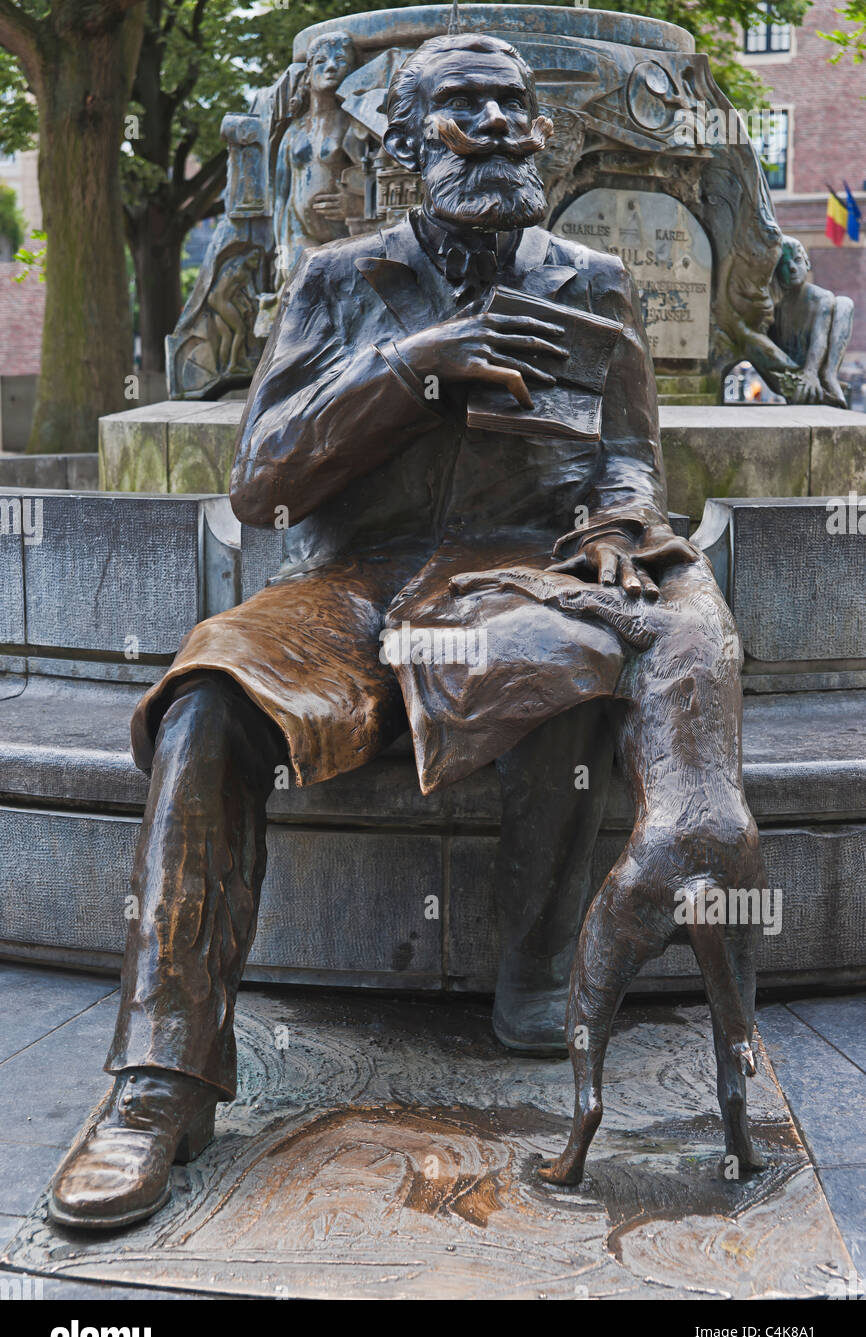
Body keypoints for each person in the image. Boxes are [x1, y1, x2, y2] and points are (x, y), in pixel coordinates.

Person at [49, 31, 762, 1230]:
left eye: (514, 105)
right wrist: (409, 369)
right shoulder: (340, 279)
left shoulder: (588, 279)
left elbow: (625, 459)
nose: (498, 126)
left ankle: (535, 976)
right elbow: (261, 489)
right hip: (341, 590)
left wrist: (616, 520)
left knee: (580, 659)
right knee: (207, 698)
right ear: (403, 141)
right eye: (465, 106)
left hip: (505, 579)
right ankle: (159, 1082)